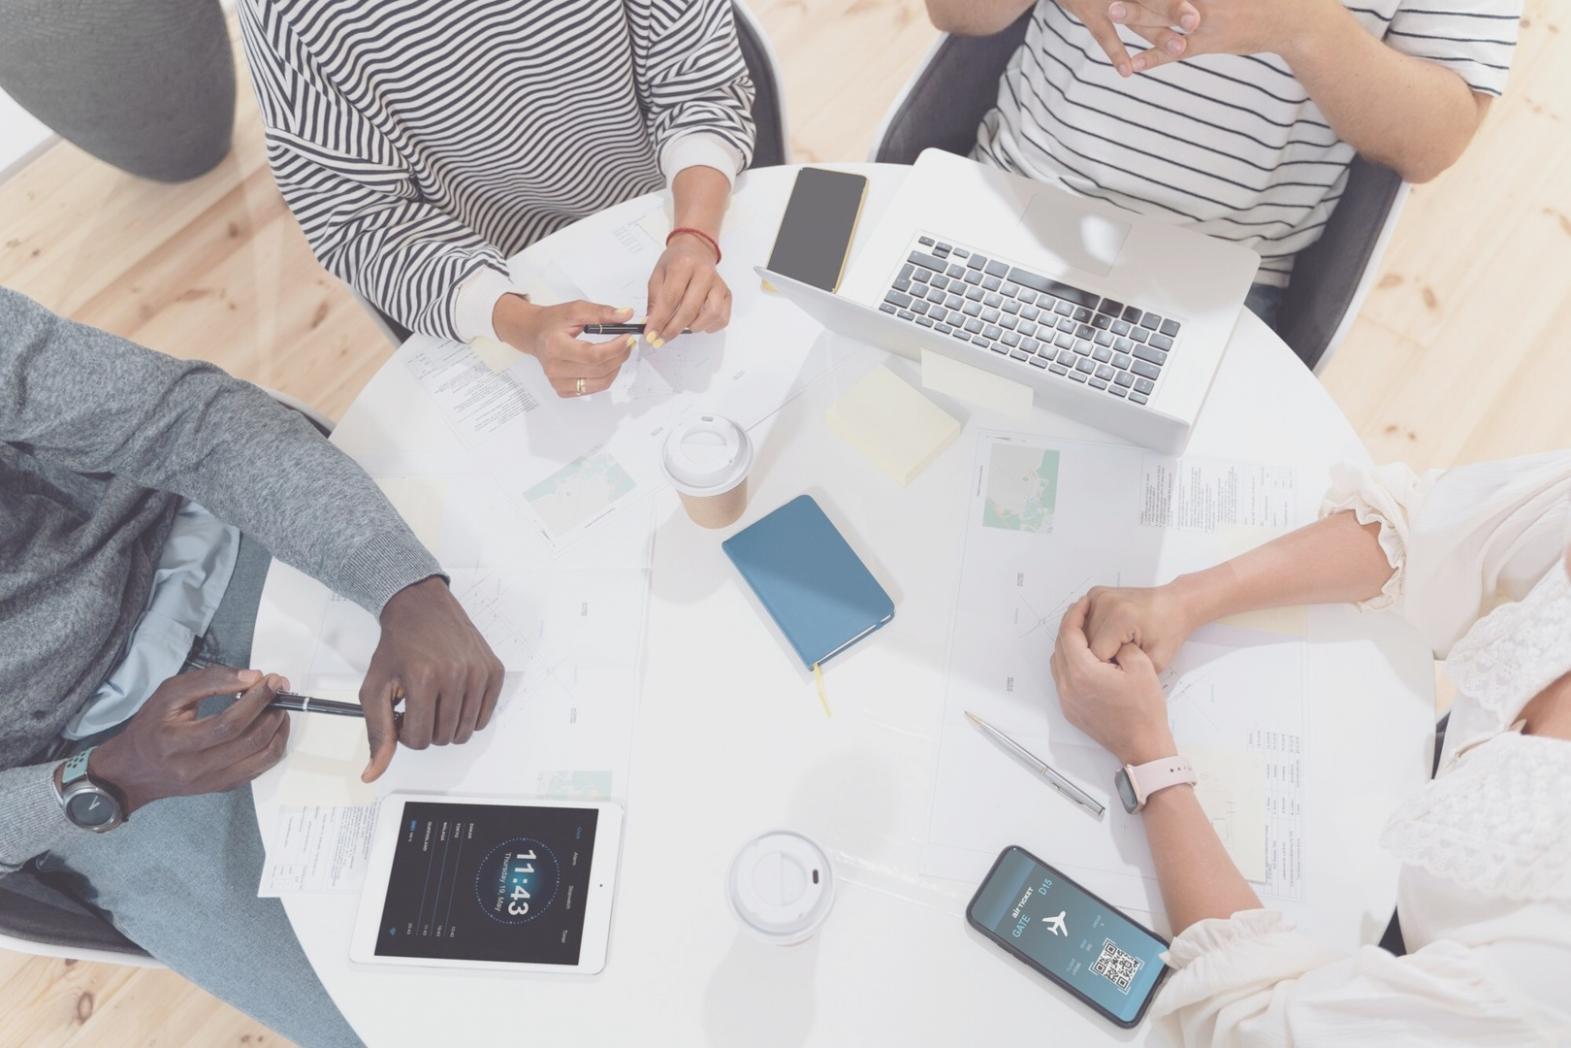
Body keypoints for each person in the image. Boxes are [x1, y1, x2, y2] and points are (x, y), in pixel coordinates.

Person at [0, 287, 506, 1047]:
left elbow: (185, 421)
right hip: (96, 765)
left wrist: (399, 583)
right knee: (409, 1022)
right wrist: (106, 778)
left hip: (204, 546)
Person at [1049, 451, 1571, 1042]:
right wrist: (1186, 599)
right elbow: (1431, 529)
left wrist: (1147, 755)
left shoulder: (1547, 967)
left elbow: (1253, 1024)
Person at [237, 0, 758, 398]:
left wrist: (694, 233)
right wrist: (522, 323)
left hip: (664, 204)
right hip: (489, 277)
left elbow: (699, 83)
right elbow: (361, 221)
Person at [924, 0, 1521, 329]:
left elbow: (1431, 143)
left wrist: (1304, 26)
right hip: (1009, 200)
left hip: (1217, 278)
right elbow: (954, 11)